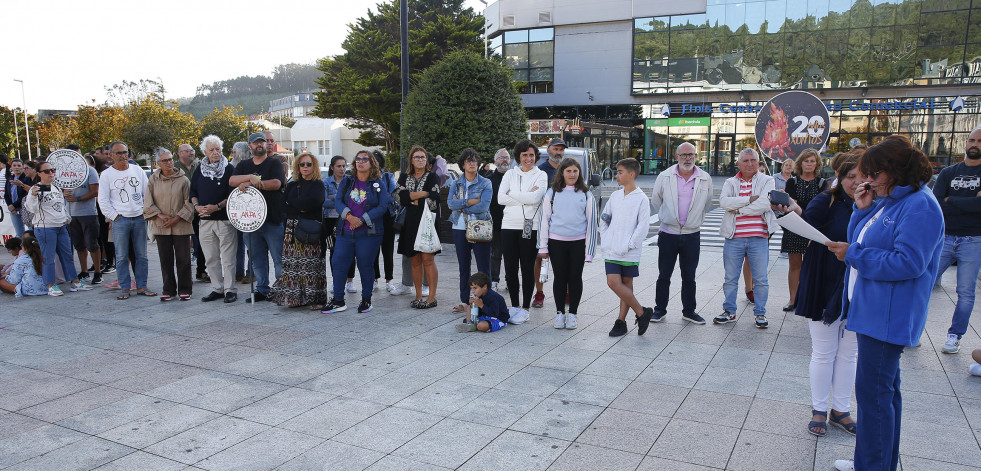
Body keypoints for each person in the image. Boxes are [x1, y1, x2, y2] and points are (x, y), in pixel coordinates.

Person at [827, 135, 944, 471]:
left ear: (893, 171)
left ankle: (873, 465)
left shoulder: (919, 205)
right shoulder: (891, 201)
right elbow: (860, 240)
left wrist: (855, 254)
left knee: (874, 396)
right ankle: (876, 462)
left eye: (873, 175)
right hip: (874, 309)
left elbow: (909, 263)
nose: (867, 182)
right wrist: (861, 210)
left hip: (888, 314)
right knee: (882, 393)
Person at [774, 152, 861, 438]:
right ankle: (820, 410)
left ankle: (841, 409)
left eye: (863, 177)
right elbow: (806, 227)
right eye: (851, 177)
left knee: (849, 353)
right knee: (824, 352)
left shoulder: (875, 205)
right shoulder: (828, 199)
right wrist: (789, 212)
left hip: (858, 284)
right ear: (840, 177)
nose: (857, 182)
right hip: (824, 279)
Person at [650, 142, 713, 324]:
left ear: (696, 156)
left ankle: (689, 311)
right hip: (668, 233)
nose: (688, 158)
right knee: (664, 275)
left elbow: (707, 203)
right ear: (676, 156)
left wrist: (694, 220)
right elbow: (656, 200)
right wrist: (667, 216)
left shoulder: (705, 178)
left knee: (689, 276)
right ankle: (659, 310)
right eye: (684, 155)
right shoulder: (665, 176)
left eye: (691, 154)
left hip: (692, 234)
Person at [321, 150, 391, 314]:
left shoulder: (378, 183)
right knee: (338, 263)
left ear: (371, 163)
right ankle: (338, 300)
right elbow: (338, 201)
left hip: (368, 233)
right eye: (358, 159)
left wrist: (362, 219)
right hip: (345, 231)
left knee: (365, 265)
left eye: (364, 159)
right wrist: (350, 217)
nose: (360, 162)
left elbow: (382, 206)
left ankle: (366, 300)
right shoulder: (347, 181)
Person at [715, 148, 777, 328]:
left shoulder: (767, 180)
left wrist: (740, 209)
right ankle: (729, 311)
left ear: (759, 162)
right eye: (746, 161)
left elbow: (764, 204)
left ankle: (760, 313)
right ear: (739, 163)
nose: (750, 164)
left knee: (761, 278)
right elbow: (724, 202)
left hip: (759, 237)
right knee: (730, 278)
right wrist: (750, 199)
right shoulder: (730, 181)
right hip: (734, 237)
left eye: (753, 160)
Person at [932, 126, 981, 354]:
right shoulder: (949, 172)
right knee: (923, 282)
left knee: (966, 292)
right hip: (945, 237)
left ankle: (954, 336)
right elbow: (937, 204)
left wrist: (953, 199)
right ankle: (911, 329)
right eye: (972, 139)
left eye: (979, 141)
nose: (974, 144)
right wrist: (970, 202)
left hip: (974, 239)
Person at [538, 157, 597, 329]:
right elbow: (544, 221)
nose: (572, 174)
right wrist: (543, 246)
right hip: (556, 243)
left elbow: (592, 223)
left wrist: (589, 251)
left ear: (580, 173)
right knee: (560, 278)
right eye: (568, 171)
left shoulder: (586, 194)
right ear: (562, 173)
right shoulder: (552, 193)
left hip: (578, 243)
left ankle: (573, 314)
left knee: (575, 278)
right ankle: (559, 314)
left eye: (575, 171)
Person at [600, 158, 655, 337]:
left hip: (629, 251)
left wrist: (630, 244)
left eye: (620, 172)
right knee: (613, 282)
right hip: (612, 248)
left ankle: (621, 322)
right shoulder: (615, 196)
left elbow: (643, 227)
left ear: (632, 174)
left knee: (627, 284)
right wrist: (607, 237)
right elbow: (605, 218)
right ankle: (641, 312)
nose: (617, 175)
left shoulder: (641, 199)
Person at [230, 132, 286, 303]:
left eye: (262, 142)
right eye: (256, 143)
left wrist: (252, 184)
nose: (259, 145)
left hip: (272, 219)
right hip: (251, 221)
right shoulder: (244, 165)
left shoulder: (274, 162)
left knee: (278, 257)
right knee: (256, 258)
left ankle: (282, 289)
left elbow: (277, 183)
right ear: (250, 146)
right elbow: (232, 180)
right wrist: (249, 177)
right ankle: (262, 288)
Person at [23, 161, 93, 295]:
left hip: (60, 226)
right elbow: (31, 208)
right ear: (39, 174)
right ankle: (51, 285)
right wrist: (32, 195)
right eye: (47, 171)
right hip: (45, 227)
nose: (51, 173)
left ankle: (75, 282)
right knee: (48, 257)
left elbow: (61, 206)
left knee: (67, 255)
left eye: (53, 170)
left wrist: (66, 219)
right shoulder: (36, 188)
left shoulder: (55, 187)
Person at [499, 140, 548, 323]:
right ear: (519, 156)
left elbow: (536, 198)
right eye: (524, 155)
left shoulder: (541, 175)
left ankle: (526, 308)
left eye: (531, 155)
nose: (528, 158)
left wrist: (512, 193)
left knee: (527, 268)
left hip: (530, 226)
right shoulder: (510, 173)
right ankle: (514, 306)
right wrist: (525, 197)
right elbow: (500, 198)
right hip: (509, 226)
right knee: (510, 269)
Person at [271, 152, 327, 308]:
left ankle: (315, 300)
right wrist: (299, 206)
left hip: (310, 230)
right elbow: (283, 205)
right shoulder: (292, 184)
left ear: (314, 166)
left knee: (311, 265)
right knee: (292, 265)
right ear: (297, 167)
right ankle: (296, 299)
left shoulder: (318, 185)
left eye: (308, 164)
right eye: (302, 164)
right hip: (291, 230)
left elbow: (314, 203)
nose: (305, 167)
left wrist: (294, 205)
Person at [98, 141, 152, 300]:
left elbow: (146, 193)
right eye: (119, 153)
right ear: (111, 155)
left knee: (141, 255)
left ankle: (142, 286)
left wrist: (144, 212)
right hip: (120, 220)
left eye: (125, 152)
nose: (123, 156)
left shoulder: (137, 170)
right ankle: (125, 288)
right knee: (121, 256)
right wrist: (115, 217)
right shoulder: (107, 175)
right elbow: (103, 200)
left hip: (139, 218)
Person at [191, 135, 238, 303]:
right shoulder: (199, 169)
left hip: (224, 220)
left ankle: (230, 289)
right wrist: (196, 207)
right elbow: (193, 192)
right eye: (212, 150)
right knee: (210, 257)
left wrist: (217, 206)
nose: (216, 152)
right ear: (205, 152)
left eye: (218, 149)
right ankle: (217, 288)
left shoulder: (229, 168)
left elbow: (233, 194)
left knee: (228, 258)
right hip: (204, 221)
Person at [144, 148, 194, 301]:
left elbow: (190, 203)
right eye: (165, 160)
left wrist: (177, 218)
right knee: (165, 259)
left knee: (183, 259)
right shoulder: (153, 179)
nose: (169, 162)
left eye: (170, 159)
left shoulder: (184, 180)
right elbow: (148, 202)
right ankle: (168, 289)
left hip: (181, 225)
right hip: (162, 225)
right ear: (158, 163)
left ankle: (185, 289)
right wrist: (160, 215)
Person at [448, 148, 493, 313]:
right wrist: (470, 201)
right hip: (459, 228)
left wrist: (462, 205)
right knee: (463, 266)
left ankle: (485, 301)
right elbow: (450, 205)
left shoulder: (485, 183)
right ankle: (466, 301)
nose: (472, 163)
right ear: (463, 164)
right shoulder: (455, 183)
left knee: (483, 267)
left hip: (480, 227)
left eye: (474, 160)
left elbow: (484, 206)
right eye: (468, 161)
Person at [781, 148, 826, 312]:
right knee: (794, 265)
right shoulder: (792, 182)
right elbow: (790, 204)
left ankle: (807, 298)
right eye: (806, 161)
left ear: (817, 164)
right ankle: (792, 300)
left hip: (813, 227)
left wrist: (800, 206)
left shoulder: (822, 183)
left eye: (812, 161)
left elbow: (822, 208)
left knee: (811, 265)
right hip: (794, 227)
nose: (809, 164)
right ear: (801, 163)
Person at [397, 146, 442, 309]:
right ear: (411, 159)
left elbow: (434, 199)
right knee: (414, 260)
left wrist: (410, 197)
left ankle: (431, 297)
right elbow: (397, 196)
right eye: (417, 157)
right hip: (410, 222)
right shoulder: (404, 177)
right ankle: (417, 296)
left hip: (427, 221)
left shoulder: (433, 177)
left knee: (428, 260)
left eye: (423, 157)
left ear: (427, 160)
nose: (420, 159)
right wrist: (422, 194)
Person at [531, 137, 567, 307]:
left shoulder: (569, 170)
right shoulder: (540, 172)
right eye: (555, 149)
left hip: (564, 224)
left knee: (564, 261)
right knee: (539, 259)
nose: (558, 152)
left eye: (561, 149)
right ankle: (539, 294)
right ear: (548, 151)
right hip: (543, 223)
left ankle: (566, 292)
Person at [65, 147, 103, 285]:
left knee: (92, 244)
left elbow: (95, 191)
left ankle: (98, 272)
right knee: (79, 245)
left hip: (88, 213)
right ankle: (84, 271)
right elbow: (59, 189)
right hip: (71, 214)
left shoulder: (90, 170)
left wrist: (78, 198)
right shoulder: (64, 173)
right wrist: (64, 193)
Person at [175, 143, 208, 284]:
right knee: (182, 246)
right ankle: (183, 275)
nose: (191, 153)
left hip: (197, 210)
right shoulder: (174, 168)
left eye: (192, 151)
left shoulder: (198, 167)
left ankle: (201, 270)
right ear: (179, 153)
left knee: (202, 243)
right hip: (180, 212)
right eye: (187, 151)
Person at [487, 149, 510, 290]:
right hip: (495, 223)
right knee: (495, 254)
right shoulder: (489, 180)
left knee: (511, 256)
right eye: (501, 158)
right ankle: (494, 280)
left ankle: (510, 280)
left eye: (507, 157)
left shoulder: (515, 178)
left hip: (513, 224)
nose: (504, 160)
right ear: (495, 162)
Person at [229, 141, 251, 283]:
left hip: (249, 211)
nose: (231, 154)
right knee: (237, 243)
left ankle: (251, 272)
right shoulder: (230, 167)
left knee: (251, 243)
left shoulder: (249, 166)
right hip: (235, 211)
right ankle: (238, 271)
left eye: (234, 151)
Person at [4, 159, 29, 237]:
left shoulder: (26, 179)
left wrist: (13, 205)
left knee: (31, 230)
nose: (16, 168)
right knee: (19, 232)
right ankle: (21, 248)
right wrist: (10, 205)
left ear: (22, 167)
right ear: (11, 167)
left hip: (25, 208)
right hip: (13, 210)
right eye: (14, 165)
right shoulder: (9, 179)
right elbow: (6, 194)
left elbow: (25, 195)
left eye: (19, 165)